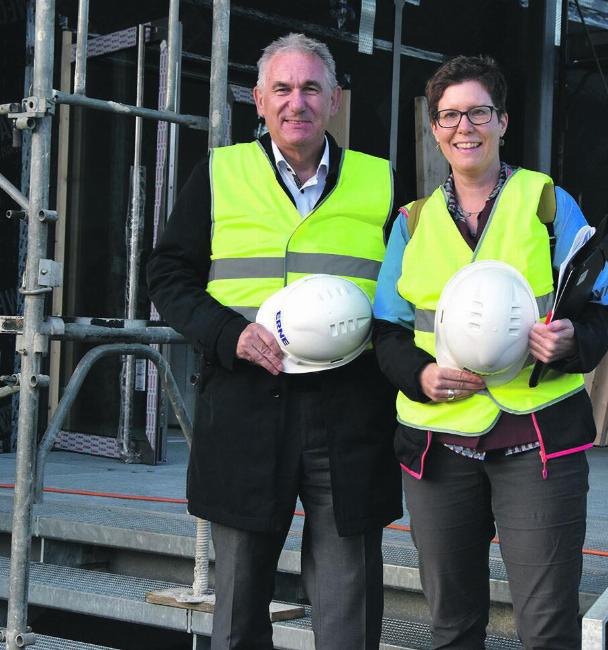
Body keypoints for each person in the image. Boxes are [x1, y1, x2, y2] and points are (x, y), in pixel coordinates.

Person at [147, 33, 403, 650]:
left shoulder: (381, 181)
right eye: (282, 89)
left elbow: (404, 290)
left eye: (311, 88)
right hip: (245, 404)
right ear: (258, 101)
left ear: (335, 100)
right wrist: (226, 334)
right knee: (237, 608)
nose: (297, 103)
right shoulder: (221, 171)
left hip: (349, 411)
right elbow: (167, 274)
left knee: (348, 608)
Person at [372, 55, 608, 650]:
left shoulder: (548, 204)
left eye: (479, 112)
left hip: (537, 442)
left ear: (503, 121)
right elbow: (388, 330)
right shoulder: (412, 222)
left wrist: (568, 343)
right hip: (440, 444)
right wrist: (421, 375)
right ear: (435, 128)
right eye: (450, 115)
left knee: (545, 625)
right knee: (453, 625)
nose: (466, 127)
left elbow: (599, 313)